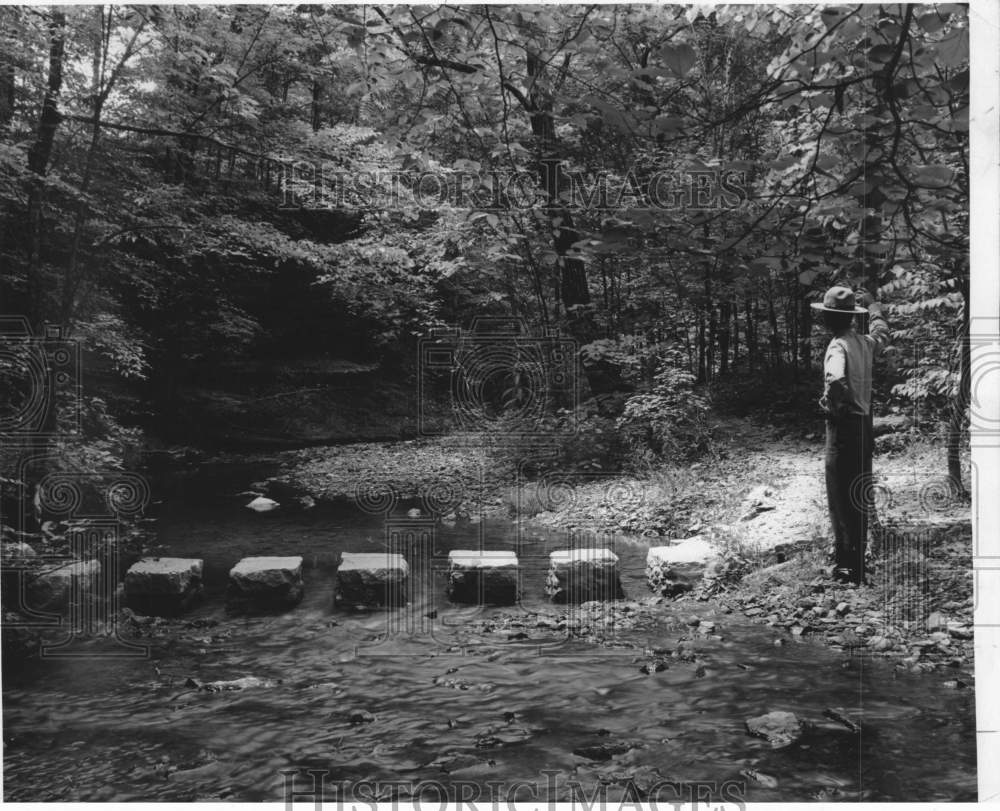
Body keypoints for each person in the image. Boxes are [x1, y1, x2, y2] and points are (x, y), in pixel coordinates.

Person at [811, 285, 891, 584]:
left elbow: (834, 379)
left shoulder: (837, 345)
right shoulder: (865, 342)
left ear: (828, 319)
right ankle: (857, 565)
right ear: (852, 318)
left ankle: (847, 569)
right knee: (858, 492)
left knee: (840, 496)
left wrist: (835, 406)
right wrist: (874, 307)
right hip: (864, 425)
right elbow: (883, 334)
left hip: (844, 427)